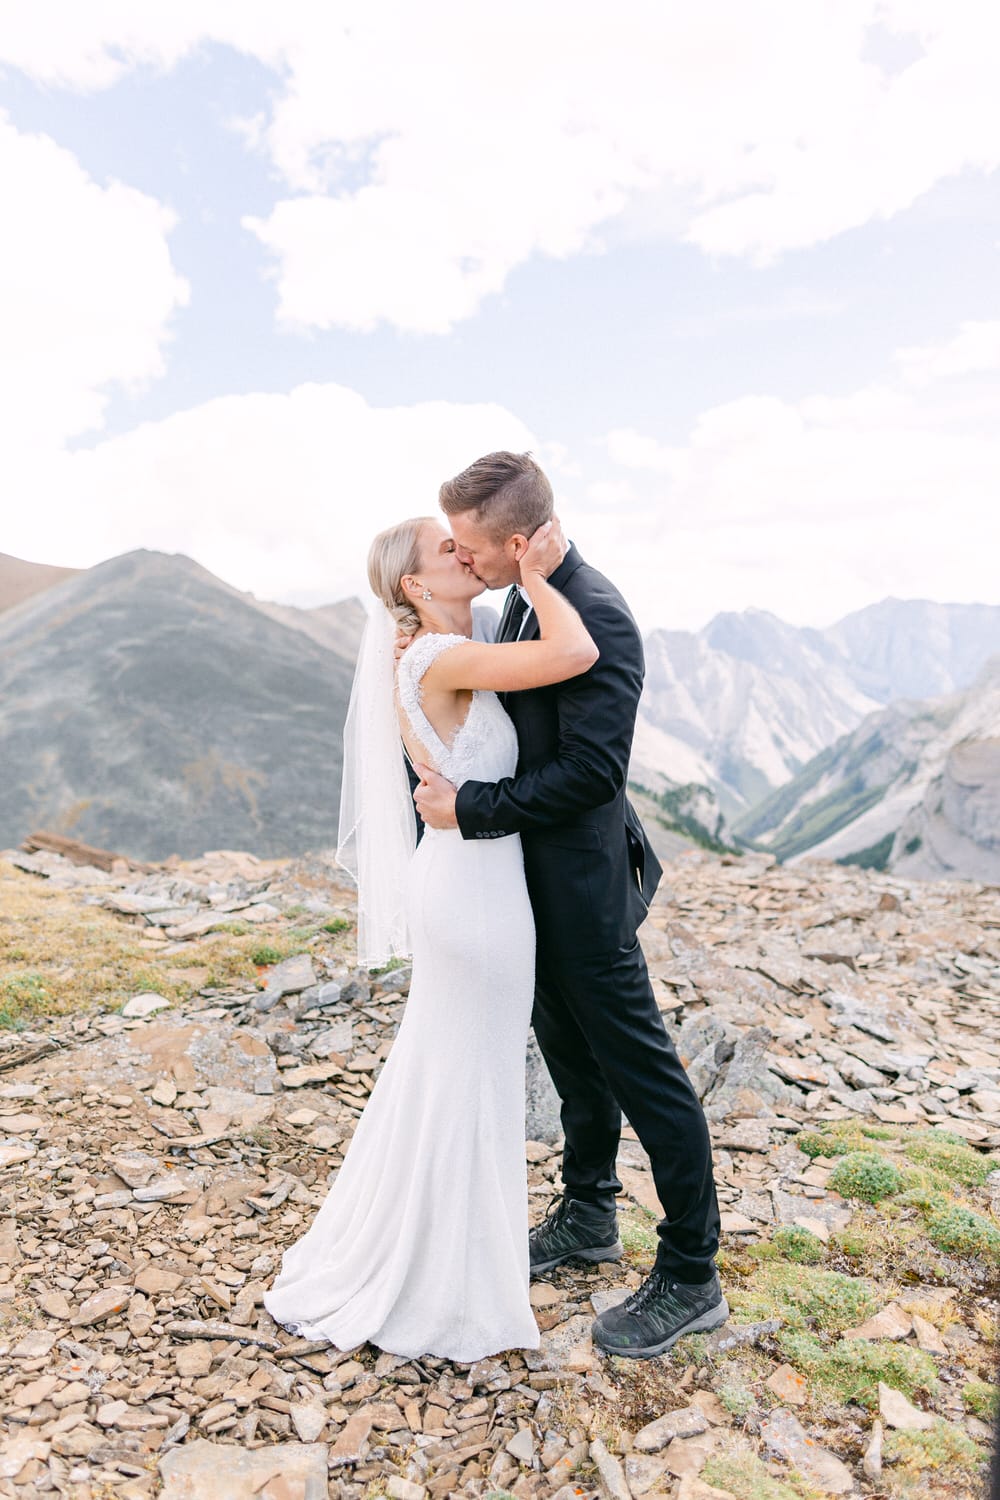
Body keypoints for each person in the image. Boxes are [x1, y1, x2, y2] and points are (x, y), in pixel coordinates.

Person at [413, 451, 727, 1358]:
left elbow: (593, 775)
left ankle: (691, 1272)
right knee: (571, 1066)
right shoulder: (521, 595)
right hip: (522, 892)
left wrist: (469, 810)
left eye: (471, 548)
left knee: (645, 1075)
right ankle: (589, 1215)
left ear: (517, 543)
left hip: (584, 897)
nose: (462, 561)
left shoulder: (600, 616)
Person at [263, 513, 597, 1362]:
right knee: (469, 1075)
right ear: (414, 585)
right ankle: (448, 1282)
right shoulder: (438, 657)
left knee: (453, 1067)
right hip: (475, 895)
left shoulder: (446, 640)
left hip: (470, 879)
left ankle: (442, 1256)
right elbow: (572, 655)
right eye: (447, 550)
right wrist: (538, 574)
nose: (465, 552)